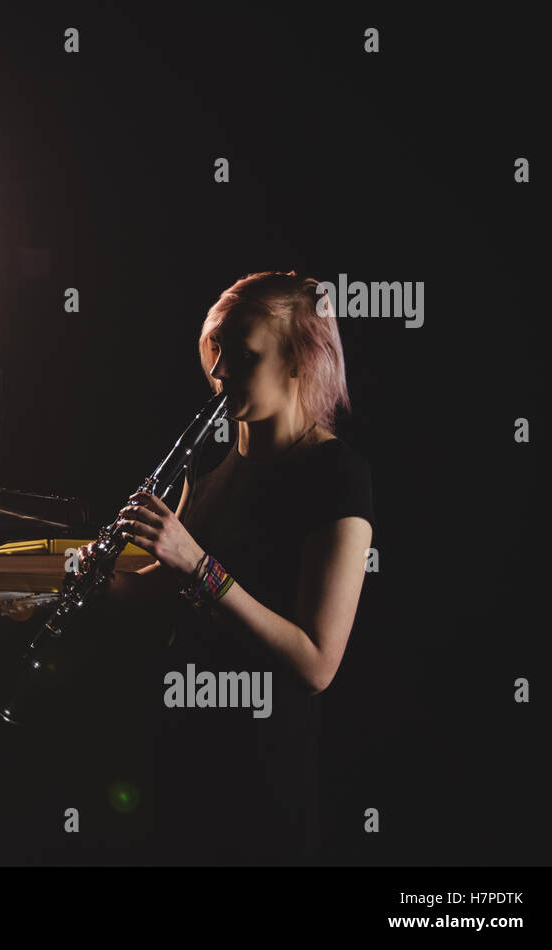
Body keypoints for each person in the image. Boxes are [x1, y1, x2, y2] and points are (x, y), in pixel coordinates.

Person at [86, 270, 374, 864]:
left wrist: (198, 566)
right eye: (218, 354)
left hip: (264, 771)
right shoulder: (210, 463)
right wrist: (94, 580)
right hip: (182, 748)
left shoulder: (336, 475)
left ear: (300, 360)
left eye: (243, 357)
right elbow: (161, 592)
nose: (219, 374)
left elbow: (317, 662)